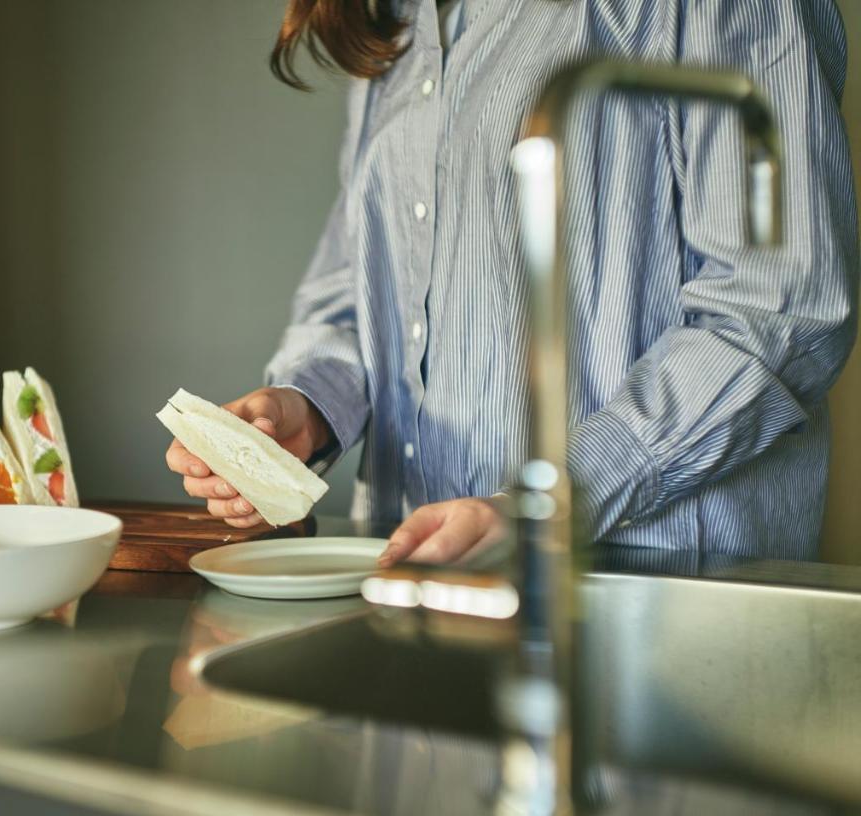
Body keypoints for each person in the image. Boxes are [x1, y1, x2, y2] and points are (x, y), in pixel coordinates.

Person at [166, 0, 858, 564]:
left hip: (657, 601)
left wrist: (551, 499)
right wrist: (310, 404)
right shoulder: (397, 30)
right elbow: (355, 288)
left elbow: (781, 305)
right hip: (420, 581)